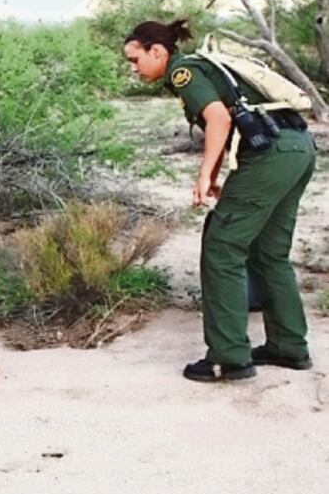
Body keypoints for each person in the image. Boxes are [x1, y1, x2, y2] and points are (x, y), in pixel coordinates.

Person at [123, 20, 316, 382]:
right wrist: (220, 175)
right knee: (268, 251)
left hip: (273, 154)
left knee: (222, 246)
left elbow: (218, 118)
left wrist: (204, 176)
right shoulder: (200, 66)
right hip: (297, 148)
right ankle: (289, 347)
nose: (133, 69)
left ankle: (229, 358)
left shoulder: (183, 72)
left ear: (157, 52)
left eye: (135, 60)